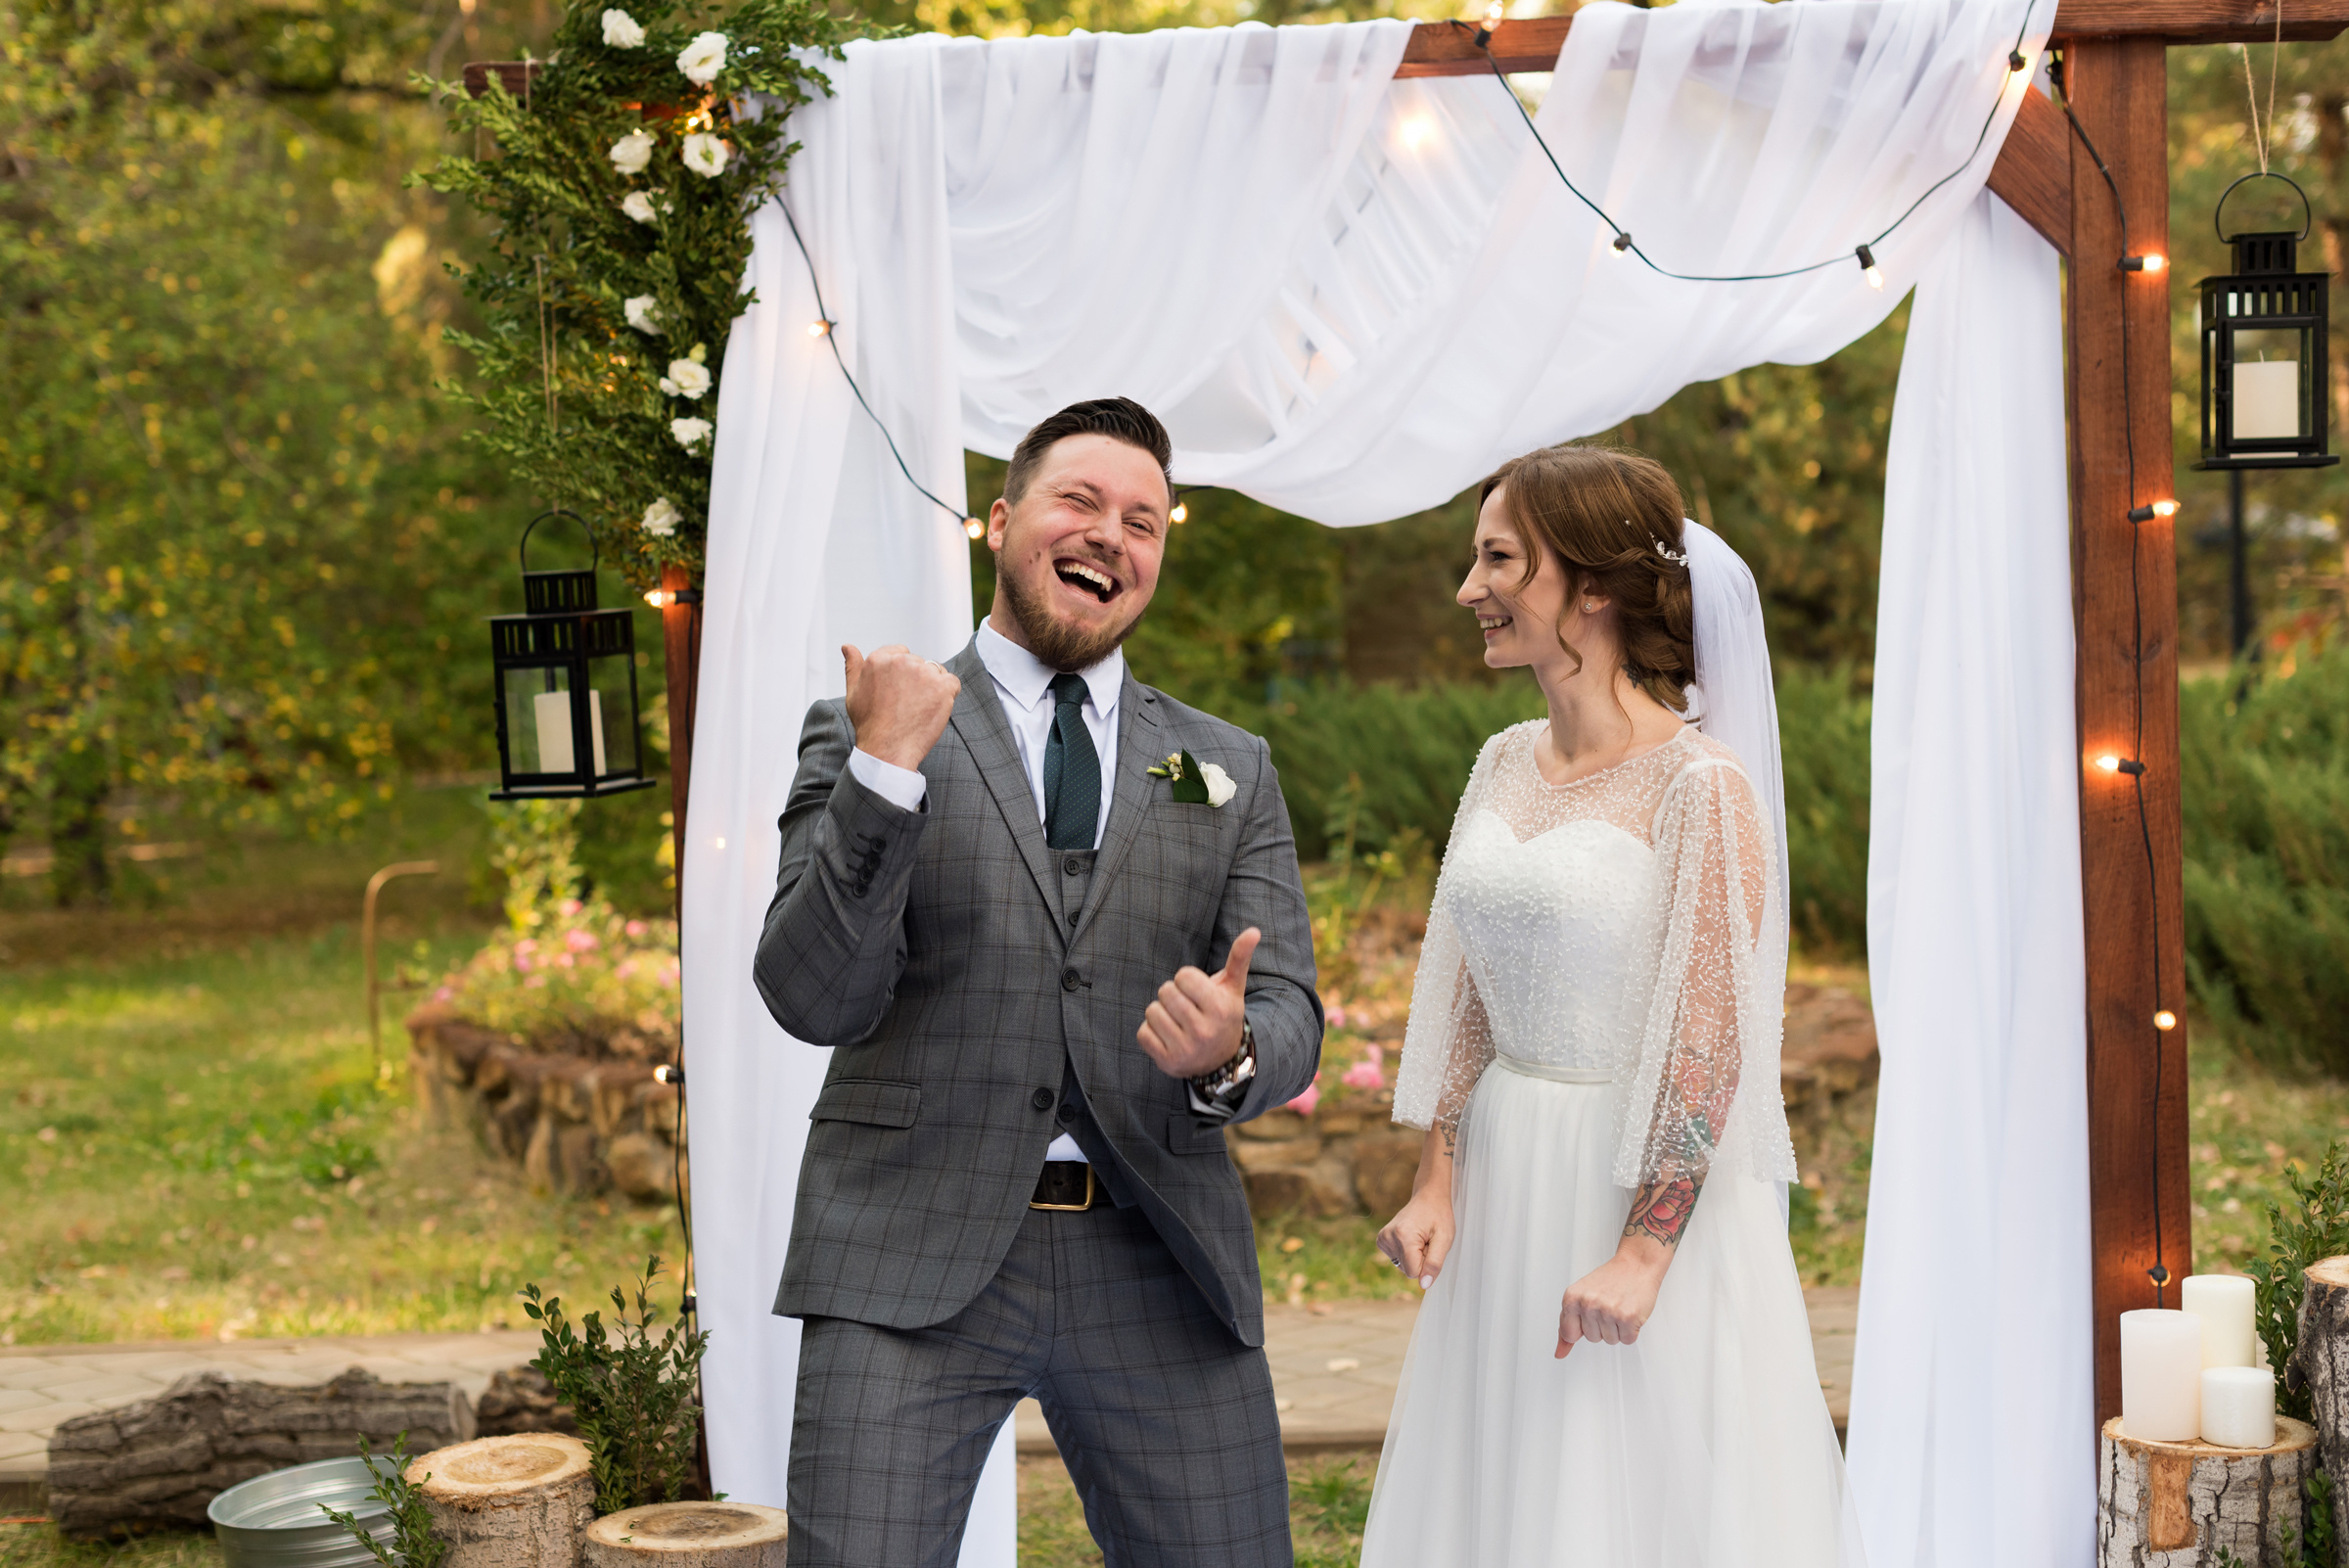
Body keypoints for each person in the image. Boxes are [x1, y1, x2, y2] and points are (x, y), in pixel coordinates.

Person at [753, 396, 1322, 1568]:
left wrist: (1234, 1051)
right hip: (906, 1248)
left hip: (1155, 1253)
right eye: (1082, 501)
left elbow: (1293, 1009)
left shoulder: (1227, 764)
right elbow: (813, 997)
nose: (1112, 534)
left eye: (1145, 521)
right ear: (1002, 521)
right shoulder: (865, 727)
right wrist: (883, 771)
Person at [1361, 443, 1865, 1566]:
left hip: (1626, 1183)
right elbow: (1461, 985)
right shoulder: (1499, 761)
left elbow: (1708, 1042)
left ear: (1588, 586)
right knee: (1505, 1482)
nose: (1469, 589)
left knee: (1628, 1496)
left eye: (1498, 559)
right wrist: (1436, 1176)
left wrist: (1643, 1252)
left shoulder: (1703, 788)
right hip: (1507, 1171)